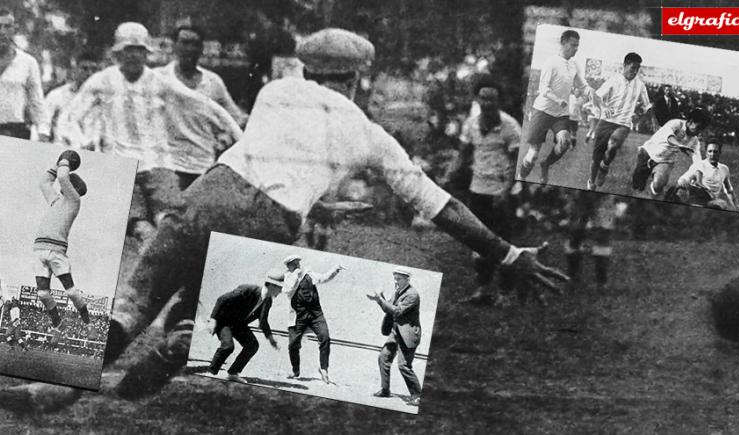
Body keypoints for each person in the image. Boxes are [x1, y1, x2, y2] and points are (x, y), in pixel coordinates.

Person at [0, 28, 567, 412]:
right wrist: (508, 254)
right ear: (359, 76)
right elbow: (442, 205)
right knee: (210, 308)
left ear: (307, 66)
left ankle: (54, 391)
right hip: (271, 219)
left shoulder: (276, 90)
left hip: (212, 191)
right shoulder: (369, 134)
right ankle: (183, 338)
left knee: (134, 300)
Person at [60, 22, 242, 240]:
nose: (134, 56)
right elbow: (69, 118)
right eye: (128, 50)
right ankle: (142, 235)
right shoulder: (102, 81)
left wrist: (239, 139)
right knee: (138, 225)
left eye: (139, 50)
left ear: (146, 53)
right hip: (120, 165)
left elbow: (203, 104)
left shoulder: (160, 82)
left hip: (158, 164)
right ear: (118, 53)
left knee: (171, 220)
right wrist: (79, 143)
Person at [451, 75, 522, 305]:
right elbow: (462, 154)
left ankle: (506, 293)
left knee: (503, 241)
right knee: (478, 241)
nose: (487, 103)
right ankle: (483, 290)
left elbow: (516, 163)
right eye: (483, 98)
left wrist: (504, 191)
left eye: (492, 99)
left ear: (499, 101)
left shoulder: (510, 126)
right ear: (477, 99)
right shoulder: (471, 124)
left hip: (502, 191)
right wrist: (447, 176)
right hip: (478, 189)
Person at [517, 29, 599, 184]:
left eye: (577, 46)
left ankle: (546, 164)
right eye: (573, 45)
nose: (576, 49)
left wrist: (592, 93)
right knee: (533, 153)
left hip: (560, 114)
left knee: (564, 143)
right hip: (543, 110)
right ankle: (521, 179)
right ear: (563, 43)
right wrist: (557, 99)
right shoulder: (551, 62)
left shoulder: (574, 64)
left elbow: (582, 84)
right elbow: (543, 89)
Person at [34, 151, 92, 345]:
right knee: (42, 294)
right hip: (39, 248)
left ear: (73, 188)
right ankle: (59, 327)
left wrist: (65, 160)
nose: (62, 185)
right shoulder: (56, 200)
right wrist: (56, 162)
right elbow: (44, 182)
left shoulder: (74, 201)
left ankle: (87, 323)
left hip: (57, 250)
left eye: (68, 184)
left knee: (71, 292)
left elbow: (62, 176)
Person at [587, 52, 657, 191]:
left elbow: (647, 105)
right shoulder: (614, 80)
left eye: (638, 68)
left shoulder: (640, 86)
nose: (635, 71)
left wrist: (654, 121)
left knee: (613, 144)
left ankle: (605, 166)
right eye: (633, 68)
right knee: (596, 157)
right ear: (624, 65)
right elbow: (596, 97)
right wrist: (604, 108)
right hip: (606, 121)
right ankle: (591, 182)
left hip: (623, 123)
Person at [156, 24, 247, 128]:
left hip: (205, 143)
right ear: (174, 46)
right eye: (184, 43)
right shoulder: (159, 77)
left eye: (195, 44)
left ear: (201, 49)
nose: (190, 49)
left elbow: (236, 118)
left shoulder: (213, 81)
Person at [205, 271, 283, 383]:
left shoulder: (268, 301)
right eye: (279, 288)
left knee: (252, 345)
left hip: (238, 324)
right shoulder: (248, 290)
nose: (281, 291)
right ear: (271, 285)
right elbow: (222, 299)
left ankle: (233, 373)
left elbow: (263, 322)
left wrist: (271, 339)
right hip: (223, 321)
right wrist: (213, 320)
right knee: (228, 346)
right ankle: (211, 373)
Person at [282, 255, 343, 384]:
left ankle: (324, 368)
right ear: (289, 266)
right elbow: (288, 289)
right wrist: (296, 276)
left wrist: (335, 269)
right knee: (293, 344)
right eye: (294, 263)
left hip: (315, 314)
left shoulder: (308, 274)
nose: (298, 265)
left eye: (298, 262)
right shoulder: (287, 277)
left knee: (325, 337)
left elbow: (323, 278)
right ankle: (295, 370)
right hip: (299, 315)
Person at [368, 267, 422, 407]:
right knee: (383, 358)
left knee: (404, 366)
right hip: (396, 332)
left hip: (408, 335)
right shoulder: (399, 292)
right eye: (395, 278)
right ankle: (385, 390)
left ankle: (417, 396)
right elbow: (389, 307)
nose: (395, 282)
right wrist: (379, 298)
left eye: (398, 279)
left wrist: (380, 300)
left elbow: (396, 311)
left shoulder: (412, 295)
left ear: (407, 280)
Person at [631, 107, 711, 199]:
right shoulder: (676, 123)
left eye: (702, 129)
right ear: (690, 122)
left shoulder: (694, 141)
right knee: (637, 186)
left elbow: (697, 161)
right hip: (647, 154)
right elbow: (669, 137)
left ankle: (654, 199)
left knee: (658, 185)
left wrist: (699, 180)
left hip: (665, 161)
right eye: (698, 128)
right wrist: (679, 145)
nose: (699, 132)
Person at [38, 51, 101, 146]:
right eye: (85, 69)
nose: (89, 73)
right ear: (75, 70)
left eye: (93, 70)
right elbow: (43, 128)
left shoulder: (101, 99)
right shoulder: (57, 95)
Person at [0, 8, 44, 139]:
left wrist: (42, 131)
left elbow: (36, 100)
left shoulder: (28, 62)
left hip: (14, 131)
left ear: (15, 29)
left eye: (7, 27)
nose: (2, 32)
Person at [670, 142, 739, 211]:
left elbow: (729, 191)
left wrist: (737, 208)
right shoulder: (699, 164)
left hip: (711, 200)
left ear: (720, 153)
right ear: (706, 153)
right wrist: (683, 182)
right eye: (710, 151)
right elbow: (684, 178)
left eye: (715, 151)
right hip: (697, 195)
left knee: (722, 204)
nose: (712, 154)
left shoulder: (724, 169)